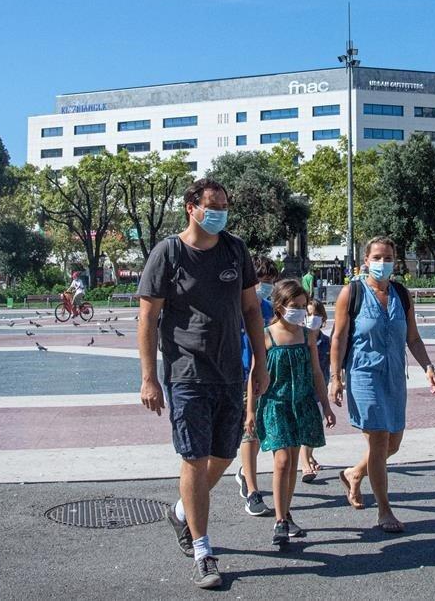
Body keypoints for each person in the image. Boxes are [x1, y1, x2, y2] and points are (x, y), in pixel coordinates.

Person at [136, 178, 270, 590]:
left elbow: (251, 309)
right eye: (213, 206)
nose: (221, 213)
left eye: (225, 206)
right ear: (191, 207)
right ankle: (203, 550)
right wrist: (149, 378)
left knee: (225, 454)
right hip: (186, 371)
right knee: (194, 457)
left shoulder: (235, 249)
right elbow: (148, 319)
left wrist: (260, 364)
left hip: (230, 370)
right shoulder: (169, 253)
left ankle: (181, 511)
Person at [330, 236, 435, 533]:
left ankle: (354, 473)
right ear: (365, 260)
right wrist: (335, 377)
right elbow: (338, 338)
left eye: (388, 257)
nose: (383, 262)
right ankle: (384, 510)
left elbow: (413, 338)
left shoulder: (401, 295)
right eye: (377, 257)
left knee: (393, 443)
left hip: (394, 376)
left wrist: (428, 366)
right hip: (363, 373)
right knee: (378, 440)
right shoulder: (351, 293)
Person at [252, 280, 335, 545]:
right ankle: (279, 521)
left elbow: (316, 371)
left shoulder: (306, 334)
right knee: (283, 462)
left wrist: (326, 404)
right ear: (279, 306)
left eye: (303, 306)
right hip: (276, 404)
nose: (300, 311)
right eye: (294, 306)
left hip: (301, 404)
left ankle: (285, 513)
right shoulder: (267, 335)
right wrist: (249, 413)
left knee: (293, 460)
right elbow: (254, 376)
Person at [235, 255, 277, 518]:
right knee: (248, 430)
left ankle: (246, 474)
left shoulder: (268, 309)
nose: (266, 286)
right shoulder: (233, 305)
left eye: (271, 282)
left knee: (257, 429)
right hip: (237, 372)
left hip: (262, 372)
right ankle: (252, 490)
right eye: (262, 281)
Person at [300, 299, 331, 482]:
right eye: (309, 314)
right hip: (303, 390)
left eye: (316, 315)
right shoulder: (300, 339)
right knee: (307, 427)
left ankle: (309, 456)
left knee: (315, 426)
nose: (312, 318)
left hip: (320, 390)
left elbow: (333, 364)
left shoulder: (326, 342)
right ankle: (305, 465)